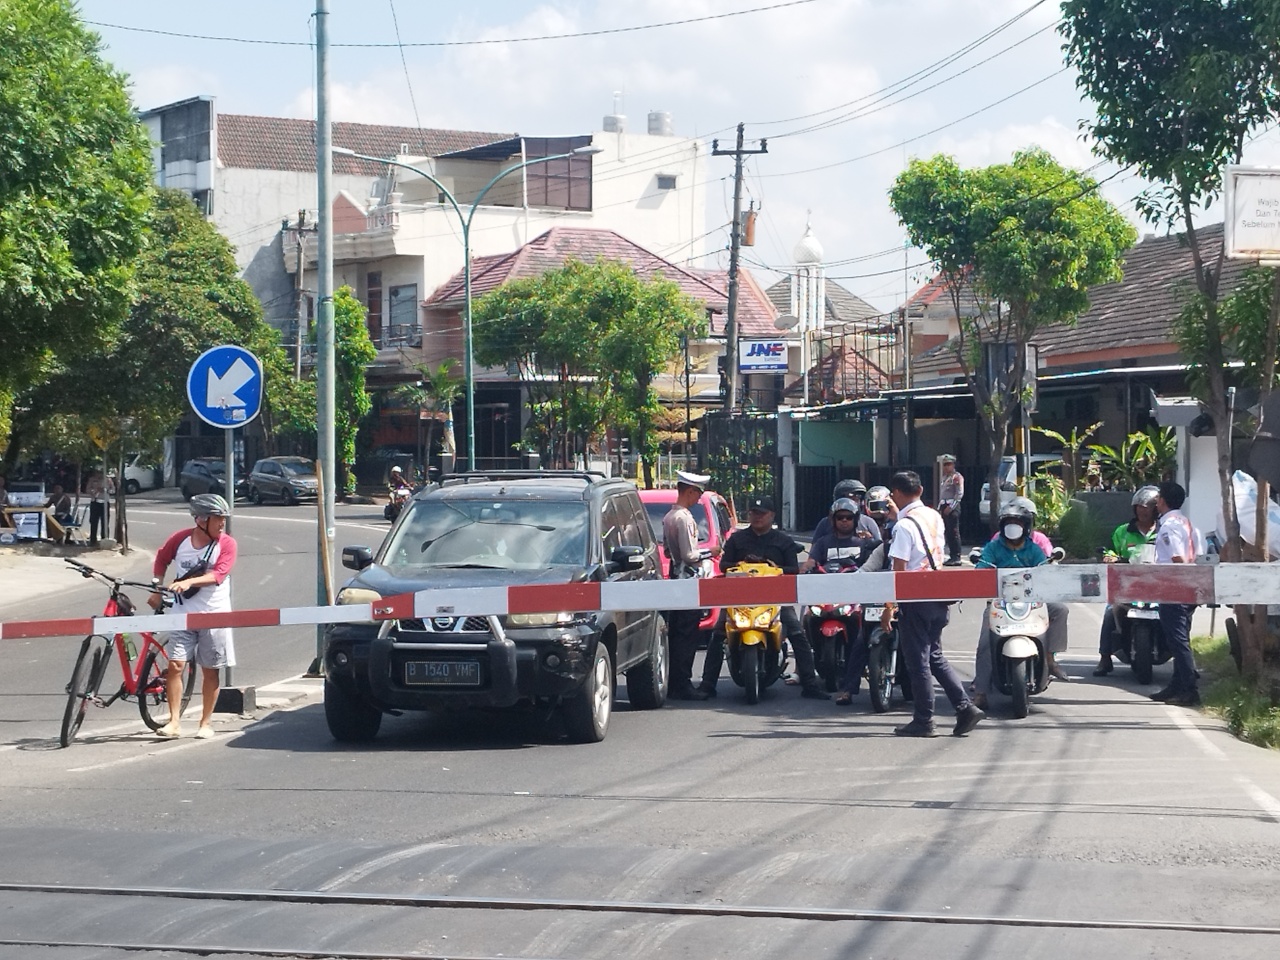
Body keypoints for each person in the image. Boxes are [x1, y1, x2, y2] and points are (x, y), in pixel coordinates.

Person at [880, 470, 984, 737]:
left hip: (915, 600)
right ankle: (964, 707)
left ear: (897, 494)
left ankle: (924, 720)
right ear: (922, 491)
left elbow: (899, 571)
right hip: (937, 597)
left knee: (918, 663)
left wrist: (889, 606)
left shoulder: (904, 527)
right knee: (935, 657)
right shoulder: (933, 515)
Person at [698, 495, 830, 700]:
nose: (757, 517)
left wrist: (772, 567)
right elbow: (724, 565)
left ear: (772, 516)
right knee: (718, 634)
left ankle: (810, 684)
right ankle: (707, 685)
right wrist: (742, 563)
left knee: (797, 633)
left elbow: (793, 570)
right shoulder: (738, 539)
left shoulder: (783, 541)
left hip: (775, 599)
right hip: (739, 598)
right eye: (753, 513)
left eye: (762, 514)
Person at [148, 494, 239, 738]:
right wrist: (157, 588)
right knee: (176, 666)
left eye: (223, 519)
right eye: (218, 519)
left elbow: (218, 575)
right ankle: (174, 721)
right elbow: (161, 559)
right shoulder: (180, 540)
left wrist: (189, 582)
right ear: (201, 520)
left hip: (214, 615)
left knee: (210, 670)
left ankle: (205, 723)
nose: (222, 524)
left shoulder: (227, 544)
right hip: (182, 614)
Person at [969, 497, 1070, 707]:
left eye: (1018, 524)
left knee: (1060, 609)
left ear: (1026, 526)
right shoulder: (994, 548)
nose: (1013, 528)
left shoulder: (1034, 549)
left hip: (1033, 603)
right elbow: (981, 571)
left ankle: (1049, 659)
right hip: (1000, 604)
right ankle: (981, 692)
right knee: (985, 643)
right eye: (1008, 524)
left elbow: (1045, 571)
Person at [663, 470, 721, 700]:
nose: (699, 498)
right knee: (687, 636)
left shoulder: (669, 516)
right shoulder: (684, 518)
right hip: (688, 581)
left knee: (677, 635)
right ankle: (683, 684)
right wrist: (711, 551)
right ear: (689, 491)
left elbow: (669, 551)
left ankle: (675, 682)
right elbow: (689, 554)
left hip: (677, 579)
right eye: (698, 493)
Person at [1094, 486, 1159, 676]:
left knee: (1178, 614)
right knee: (1109, 612)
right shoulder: (1123, 531)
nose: (1142, 511)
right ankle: (1105, 658)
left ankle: (1185, 661)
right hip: (1127, 586)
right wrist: (1109, 557)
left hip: (1158, 586)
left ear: (1156, 509)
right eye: (1139, 507)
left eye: (1147, 507)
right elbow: (1111, 550)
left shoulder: (1164, 531)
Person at [1150, 481, 1200, 706]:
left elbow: (1177, 558)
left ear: (1163, 500)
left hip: (1174, 586)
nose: (1156, 501)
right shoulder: (1187, 522)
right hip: (1189, 586)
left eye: (1158, 497)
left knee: (1177, 640)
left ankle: (1189, 689)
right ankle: (1176, 685)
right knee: (1179, 637)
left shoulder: (1169, 525)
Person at [812, 480, 878, 541]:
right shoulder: (825, 523)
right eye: (840, 518)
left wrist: (869, 539)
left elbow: (879, 548)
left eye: (857, 498)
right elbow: (815, 550)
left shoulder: (868, 522)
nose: (844, 520)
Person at [938, 455, 964, 565]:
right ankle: (952, 555)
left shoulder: (956, 477)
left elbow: (959, 493)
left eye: (948, 464)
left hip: (952, 507)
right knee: (948, 532)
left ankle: (956, 556)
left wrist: (951, 507)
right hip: (944, 506)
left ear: (953, 465)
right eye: (944, 465)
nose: (946, 467)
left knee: (954, 532)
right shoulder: (945, 477)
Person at [86, 471, 114, 545]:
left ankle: (104, 539)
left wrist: (106, 490)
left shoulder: (108, 480)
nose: (99, 475)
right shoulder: (92, 479)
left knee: (105, 522)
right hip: (95, 502)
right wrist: (94, 491)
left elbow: (113, 490)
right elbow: (87, 489)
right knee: (93, 522)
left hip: (104, 502)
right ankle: (93, 540)